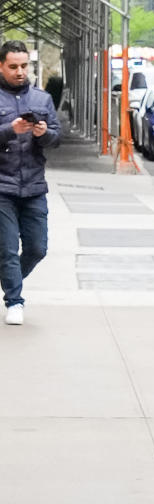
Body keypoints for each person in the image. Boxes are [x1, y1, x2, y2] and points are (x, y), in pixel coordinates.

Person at [0, 40, 61, 325]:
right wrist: (9, 130)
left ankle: (8, 277)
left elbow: (56, 138)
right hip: (3, 186)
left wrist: (43, 133)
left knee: (38, 248)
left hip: (35, 186)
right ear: (2, 66)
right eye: (13, 66)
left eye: (24, 65)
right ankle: (15, 301)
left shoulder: (42, 99)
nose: (20, 71)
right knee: (8, 250)